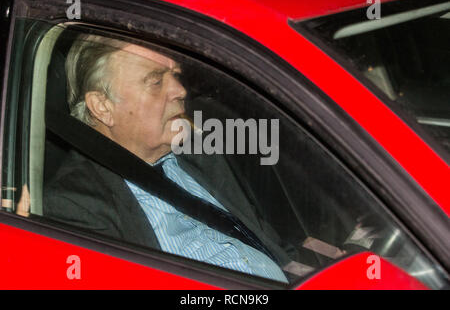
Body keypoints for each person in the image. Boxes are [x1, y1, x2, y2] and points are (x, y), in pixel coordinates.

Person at [43, 34, 292, 282]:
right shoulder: (76, 208)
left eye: (174, 74)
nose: (180, 90)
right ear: (103, 107)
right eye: (155, 81)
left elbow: (262, 236)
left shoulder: (198, 152)